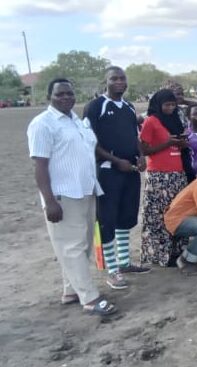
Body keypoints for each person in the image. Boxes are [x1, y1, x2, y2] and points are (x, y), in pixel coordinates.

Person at [28, 78, 117, 315]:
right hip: (63, 195)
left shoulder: (77, 121)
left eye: (69, 93)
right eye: (60, 94)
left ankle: (71, 290)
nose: (66, 97)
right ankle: (89, 298)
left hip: (86, 190)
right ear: (50, 97)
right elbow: (40, 165)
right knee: (72, 247)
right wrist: (49, 201)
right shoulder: (43, 124)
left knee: (83, 243)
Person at [84, 66, 150, 289]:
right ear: (106, 82)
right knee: (108, 219)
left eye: (122, 78)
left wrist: (141, 156)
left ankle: (124, 262)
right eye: (115, 78)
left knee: (126, 217)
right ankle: (112, 270)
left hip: (130, 169)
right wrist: (115, 161)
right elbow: (90, 142)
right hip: (108, 171)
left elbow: (134, 136)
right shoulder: (96, 107)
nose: (120, 82)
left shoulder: (129, 107)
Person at [139, 89, 191, 267]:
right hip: (159, 177)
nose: (170, 108)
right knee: (159, 216)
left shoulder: (176, 119)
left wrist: (181, 144)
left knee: (177, 213)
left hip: (178, 174)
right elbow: (144, 150)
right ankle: (161, 254)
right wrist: (168, 143)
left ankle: (178, 251)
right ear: (158, 105)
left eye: (172, 105)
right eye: (166, 105)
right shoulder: (151, 122)